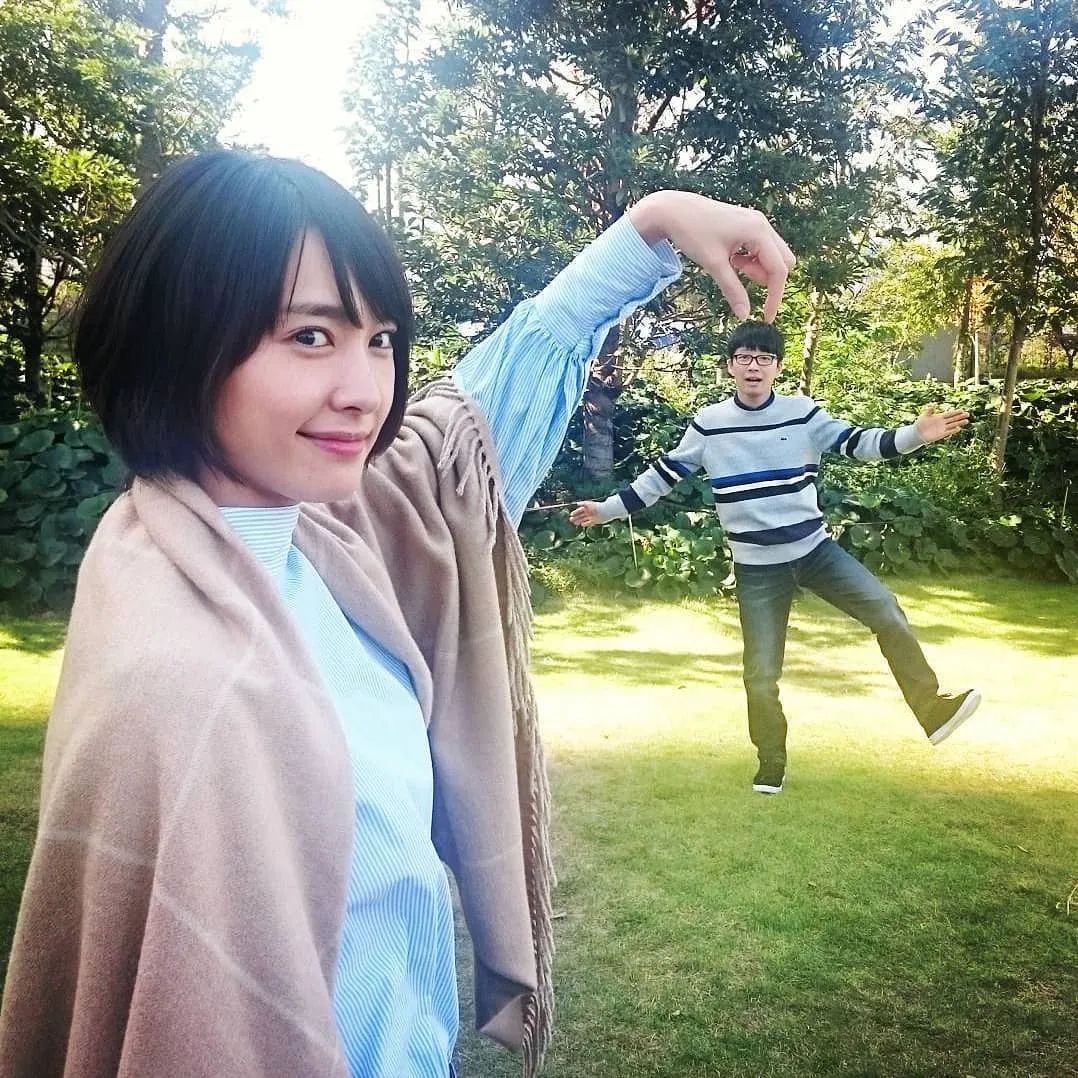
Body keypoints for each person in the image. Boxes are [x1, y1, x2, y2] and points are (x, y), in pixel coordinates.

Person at [0, 151, 794, 1077]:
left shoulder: (311, 539)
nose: (366, 389)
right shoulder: (184, 685)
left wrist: (649, 224)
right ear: (171, 343)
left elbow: (464, 429)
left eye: (378, 339)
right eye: (309, 336)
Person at [570, 319, 981, 795]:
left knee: (886, 610)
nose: (754, 366)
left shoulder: (801, 414)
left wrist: (915, 434)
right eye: (744, 357)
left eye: (764, 358)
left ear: (777, 367)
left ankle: (932, 710)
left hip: (815, 552)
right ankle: (771, 761)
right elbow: (661, 477)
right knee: (761, 674)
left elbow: (859, 444)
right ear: (730, 366)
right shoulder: (710, 425)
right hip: (757, 568)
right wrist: (606, 509)